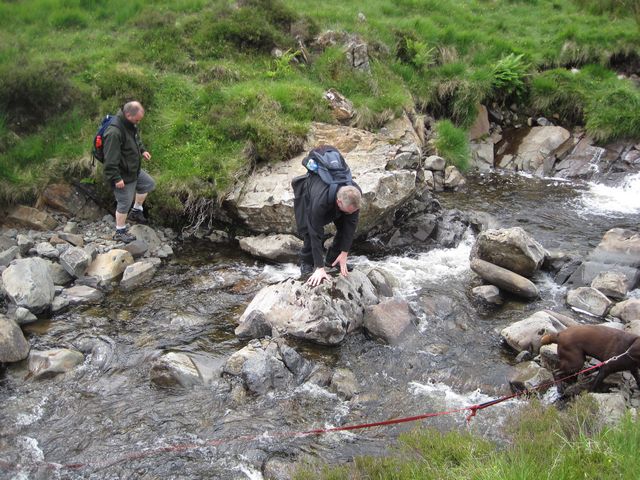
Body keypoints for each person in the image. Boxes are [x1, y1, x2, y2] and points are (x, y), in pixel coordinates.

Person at [293, 148, 362, 287]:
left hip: (336, 199)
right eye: (348, 211)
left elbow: (350, 227)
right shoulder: (320, 202)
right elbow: (315, 232)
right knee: (309, 230)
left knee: (345, 226)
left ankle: (333, 259)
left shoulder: (355, 196)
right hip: (312, 193)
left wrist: (344, 252)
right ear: (339, 202)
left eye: (352, 211)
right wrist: (319, 268)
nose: (351, 213)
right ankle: (307, 262)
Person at [102, 100, 155, 243]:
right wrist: (116, 178)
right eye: (137, 119)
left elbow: (135, 139)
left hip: (133, 169)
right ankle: (120, 231)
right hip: (122, 174)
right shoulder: (114, 132)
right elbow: (110, 160)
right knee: (124, 202)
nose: (138, 122)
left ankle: (137, 211)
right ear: (127, 114)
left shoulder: (130, 125)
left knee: (148, 184)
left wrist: (142, 150)